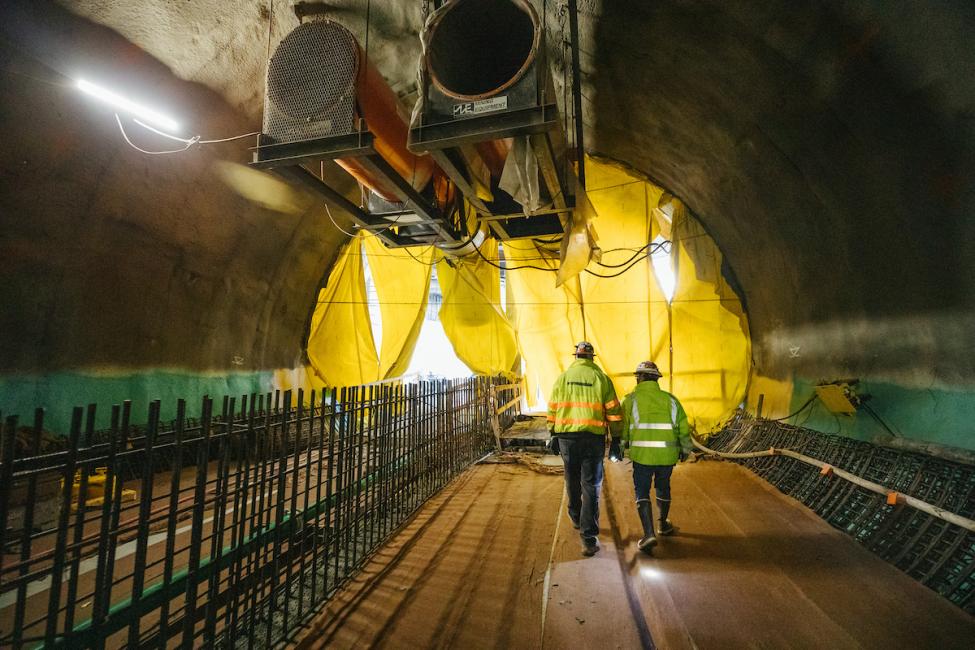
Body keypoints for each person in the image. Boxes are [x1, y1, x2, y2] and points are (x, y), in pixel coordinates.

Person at [547, 342, 624, 556]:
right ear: (592, 358)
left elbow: (552, 407)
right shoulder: (601, 379)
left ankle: (575, 516)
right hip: (593, 438)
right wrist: (616, 438)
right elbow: (614, 412)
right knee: (591, 485)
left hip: (567, 438)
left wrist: (552, 432)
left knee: (571, 478)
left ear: (577, 357)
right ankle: (589, 538)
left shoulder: (562, 378)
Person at [620, 360, 691, 554]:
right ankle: (662, 525)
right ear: (656, 378)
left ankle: (649, 533)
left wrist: (619, 447)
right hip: (667, 456)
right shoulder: (672, 400)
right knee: (663, 486)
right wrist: (685, 449)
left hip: (642, 457)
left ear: (641, 378)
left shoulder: (630, 400)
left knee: (642, 492)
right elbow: (683, 427)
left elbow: (623, 430)